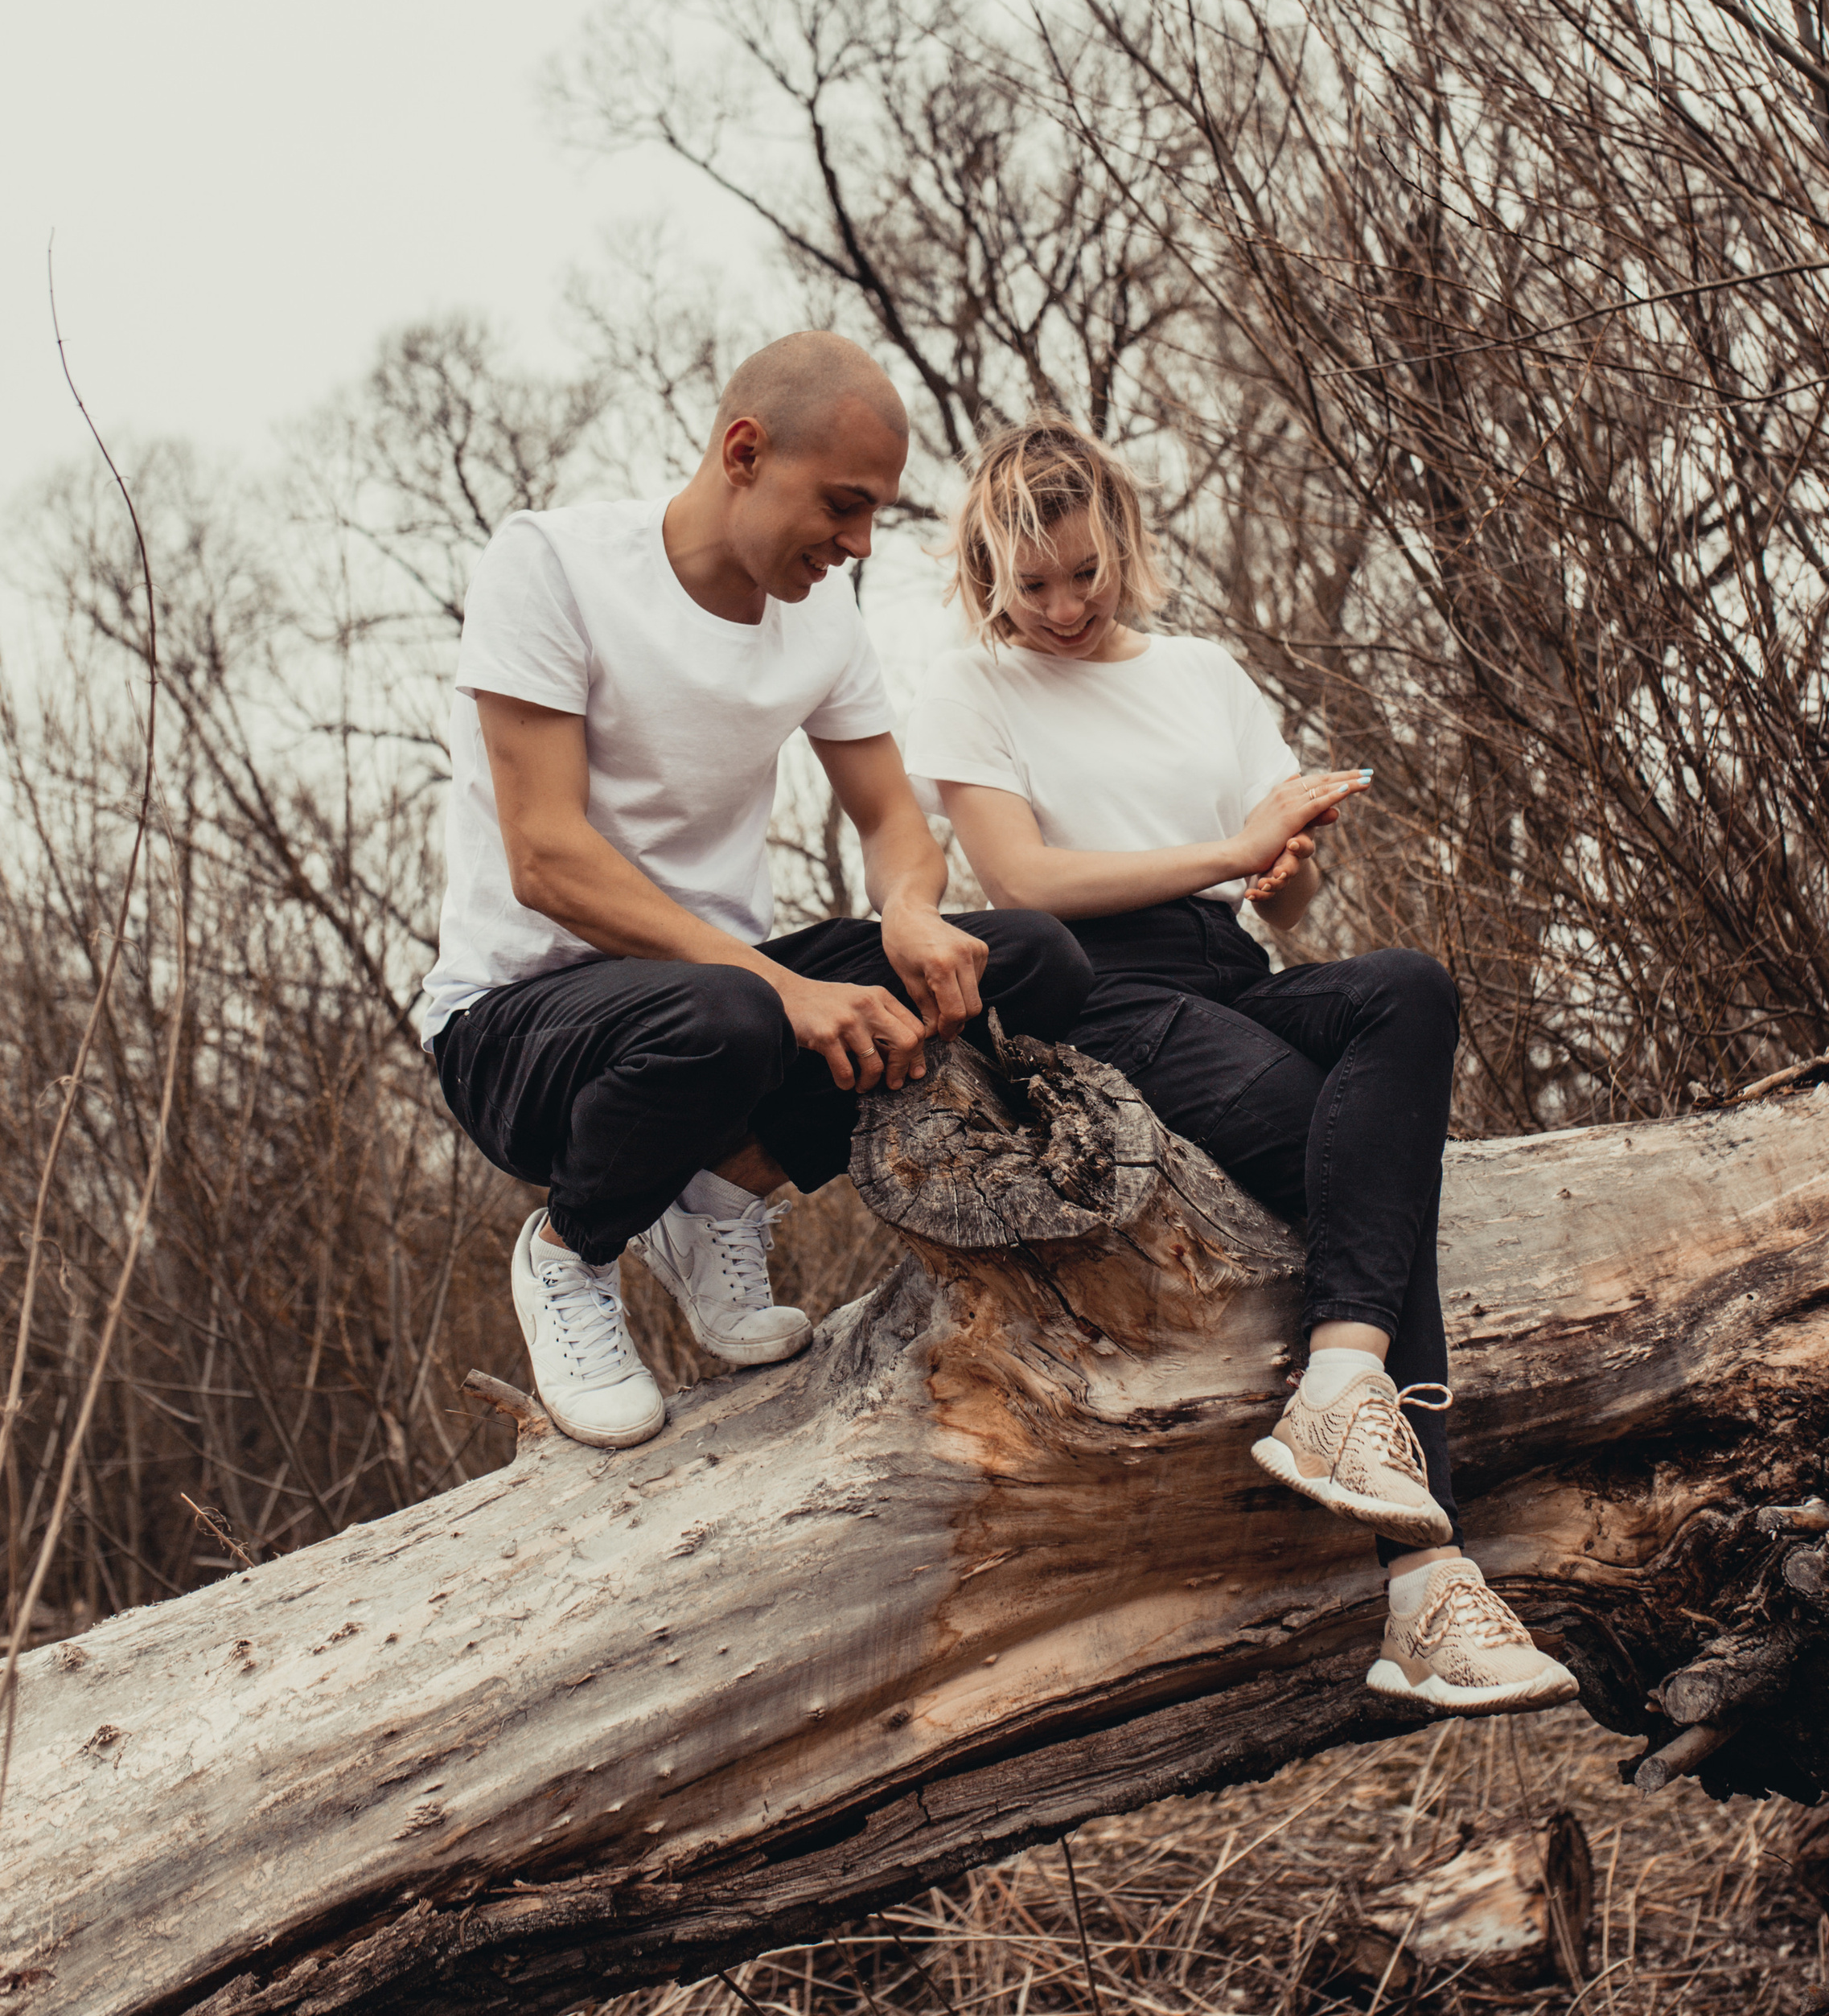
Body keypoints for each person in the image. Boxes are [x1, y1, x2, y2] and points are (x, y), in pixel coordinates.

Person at [903, 421, 1576, 1718]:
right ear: (988, 568)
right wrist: (1230, 848)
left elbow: (1293, 900)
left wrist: (1286, 863)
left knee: (1407, 989)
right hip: (1096, 991)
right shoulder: (971, 687)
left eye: (1083, 573)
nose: (1058, 605)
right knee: (1352, 1158)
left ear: (1122, 541)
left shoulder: (1205, 671)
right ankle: (1427, 1578)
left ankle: (1340, 1380)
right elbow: (1025, 883)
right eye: (1030, 582)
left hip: (1232, 968)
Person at [421, 337, 1092, 1450]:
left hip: (718, 1017)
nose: (861, 541)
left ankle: (720, 1195)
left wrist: (912, 914)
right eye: (843, 504)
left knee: (1028, 960)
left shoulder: (823, 622)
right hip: (517, 1029)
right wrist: (785, 988)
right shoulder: (551, 564)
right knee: (731, 1013)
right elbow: (545, 855)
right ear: (744, 451)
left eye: (876, 512)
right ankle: (571, 1252)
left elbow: (889, 818)